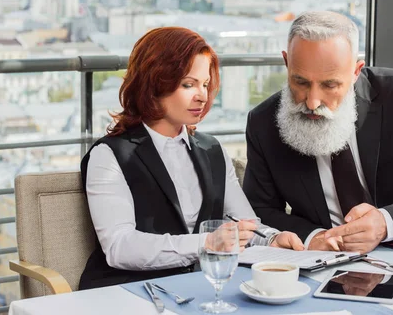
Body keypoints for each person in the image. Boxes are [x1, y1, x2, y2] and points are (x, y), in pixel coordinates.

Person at [79, 27, 303, 290]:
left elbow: (244, 223)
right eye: (189, 84)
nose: (202, 95)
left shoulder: (212, 150)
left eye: (205, 84)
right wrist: (206, 243)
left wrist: (272, 239)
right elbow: (119, 247)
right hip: (129, 291)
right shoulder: (110, 155)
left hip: (199, 287)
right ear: (154, 83)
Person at [242, 11, 393, 254]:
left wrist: (385, 222)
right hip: (318, 263)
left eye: (330, 85)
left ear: (356, 71)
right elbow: (259, 211)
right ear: (287, 63)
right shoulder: (263, 122)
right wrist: (313, 237)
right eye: (301, 82)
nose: (312, 102)